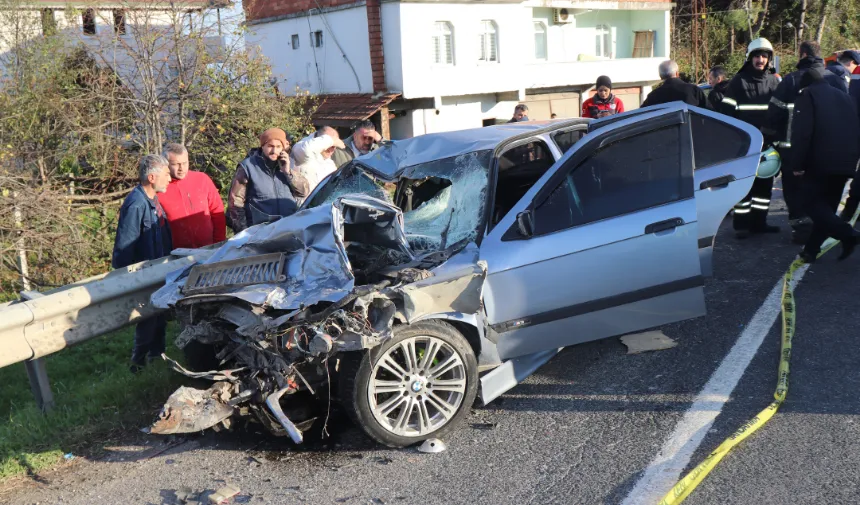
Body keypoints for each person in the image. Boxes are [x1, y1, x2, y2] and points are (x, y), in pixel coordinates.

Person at [765, 41, 848, 243]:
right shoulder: (836, 80)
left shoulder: (791, 81)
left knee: (795, 192)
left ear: (802, 55)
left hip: (792, 150)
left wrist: (766, 139)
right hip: (827, 151)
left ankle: (802, 229)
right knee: (823, 191)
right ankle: (824, 227)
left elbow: (774, 114)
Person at [789, 66, 860, 262]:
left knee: (808, 203)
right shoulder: (845, 97)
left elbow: (803, 133)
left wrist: (797, 164)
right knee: (826, 209)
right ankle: (811, 250)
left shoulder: (808, 95)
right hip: (846, 162)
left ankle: (849, 235)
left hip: (819, 161)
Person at [112, 154, 173, 372]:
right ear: (151, 177)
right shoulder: (137, 204)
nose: (170, 179)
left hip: (156, 270)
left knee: (158, 318)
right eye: (166, 175)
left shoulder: (153, 200)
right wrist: (127, 279)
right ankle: (137, 364)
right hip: (142, 274)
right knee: (147, 320)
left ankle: (157, 360)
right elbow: (125, 246)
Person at [721, 38, 781, 238]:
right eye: (757, 56)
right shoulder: (738, 82)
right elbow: (726, 114)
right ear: (749, 58)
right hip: (744, 145)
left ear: (769, 59)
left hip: (767, 145)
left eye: (764, 56)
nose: (760, 60)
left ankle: (759, 223)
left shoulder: (774, 82)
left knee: (764, 187)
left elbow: (780, 114)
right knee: (744, 187)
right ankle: (741, 226)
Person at [227, 128, 309, 233]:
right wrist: (244, 232)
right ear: (263, 146)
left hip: (287, 230)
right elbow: (235, 203)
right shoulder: (248, 167)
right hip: (259, 232)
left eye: (278, 147)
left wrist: (288, 172)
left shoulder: (286, 164)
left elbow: (303, 192)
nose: (274, 151)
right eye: (270, 146)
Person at [157, 143, 226, 249]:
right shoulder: (159, 188)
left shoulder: (202, 179)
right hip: (175, 254)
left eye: (185, 163)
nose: (181, 168)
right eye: (176, 164)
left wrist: (219, 244)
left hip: (209, 249)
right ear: (166, 165)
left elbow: (217, 212)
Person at [291, 126, 346, 192]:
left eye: (334, 146)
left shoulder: (330, 164)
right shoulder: (301, 148)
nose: (332, 150)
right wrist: (331, 140)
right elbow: (306, 149)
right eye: (329, 145)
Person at [641, 60, 708, 108]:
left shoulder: (652, 96)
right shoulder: (694, 91)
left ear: (660, 76)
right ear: (677, 73)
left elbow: (641, 114)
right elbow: (711, 112)